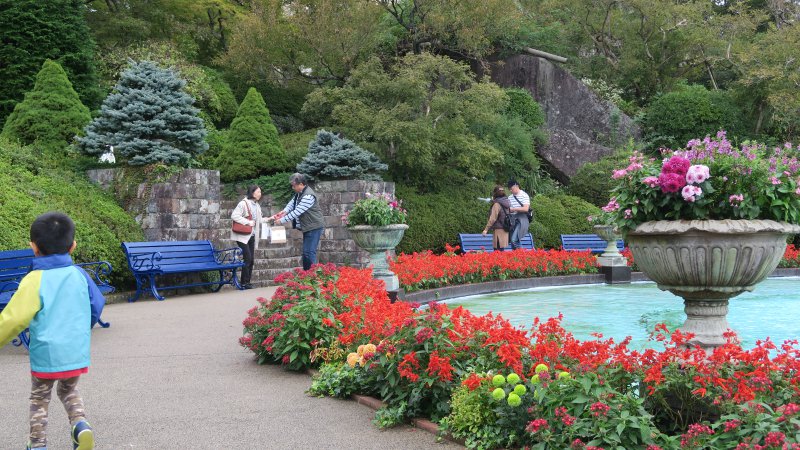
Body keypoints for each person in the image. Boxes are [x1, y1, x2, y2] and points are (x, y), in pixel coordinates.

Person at [0, 212, 104, 450]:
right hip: (75, 351)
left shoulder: (34, 280)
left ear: (33, 247)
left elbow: (13, 319)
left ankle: (37, 444)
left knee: (40, 398)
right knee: (69, 390)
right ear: (73, 246)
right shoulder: (79, 275)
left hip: (46, 355)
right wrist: (81, 329)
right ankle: (80, 425)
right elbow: (96, 304)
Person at [269, 173, 324, 271]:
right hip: (308, 227)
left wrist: (281, 221)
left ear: (301, 184)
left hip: (314, 227)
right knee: (306, 253)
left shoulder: (308, 196)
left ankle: (315, 276)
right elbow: (292, 203)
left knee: (309, 252)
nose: (292, 187)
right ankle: (307, 276)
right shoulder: (300, 193)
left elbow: (296, 212)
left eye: (294, 185)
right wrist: (284, 212)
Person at [231, 185, 270, 289]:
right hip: (242, 235)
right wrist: (248, 222)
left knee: (251, 259)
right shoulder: (243, 204)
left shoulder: (256, 205)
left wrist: (270, 218)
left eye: (260, 192)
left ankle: (247, 282)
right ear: (252, 193)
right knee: (247, 258)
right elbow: (234, 216)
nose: (260, 194)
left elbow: (259, 220)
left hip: (251, 235)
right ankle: (243, 283)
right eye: (258, 192)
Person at [482, 185, 512, 250]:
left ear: (495, 193)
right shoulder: (507, 202)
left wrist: (486, 229)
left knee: (497, 251)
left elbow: (493, 218)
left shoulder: (497, 204)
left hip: (498, 230)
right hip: (505, 229)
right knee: (501, 251)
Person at [507, 179, 531, 250]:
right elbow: (509, 210)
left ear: (516, 186)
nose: (511, 191)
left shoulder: (524, 195)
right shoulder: (510, 197)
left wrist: (513, 209)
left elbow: (525, 209)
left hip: (522, 219)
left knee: (514, 240)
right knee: (513, 241)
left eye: (511, 189)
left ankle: (522, 257)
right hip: (512, 220)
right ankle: (516, 258)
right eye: (510, 189)